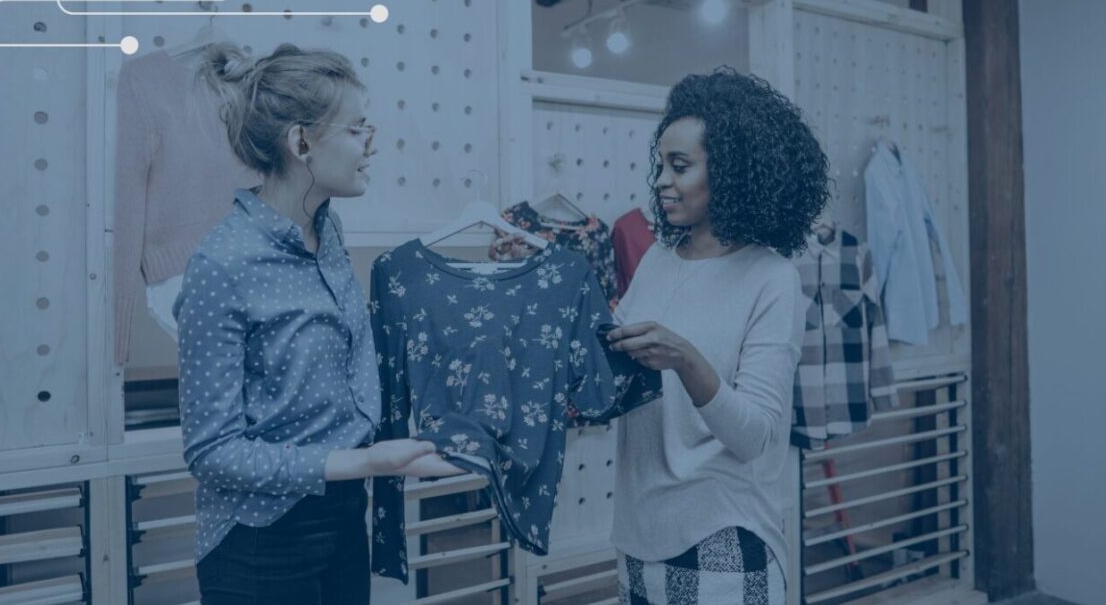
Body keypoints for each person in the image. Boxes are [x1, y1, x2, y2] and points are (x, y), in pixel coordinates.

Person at [492, 68, 830, 604]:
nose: (662, 181)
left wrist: (686, 360)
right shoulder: (658, 259)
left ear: (731, 170)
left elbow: (755, 437)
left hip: (723, 535)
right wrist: (530, 280)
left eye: (681, 166)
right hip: (638, 534)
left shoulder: (771, 278)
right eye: (662, 165)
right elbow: (604, 370)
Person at [173, 42, 459, 605]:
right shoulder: (221, 264)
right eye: (355, 129)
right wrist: (364, 460)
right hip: (261, 541)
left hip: (343, 515)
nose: (371, 143)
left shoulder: (327, 234)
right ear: (301, 142)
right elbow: (211, 453)